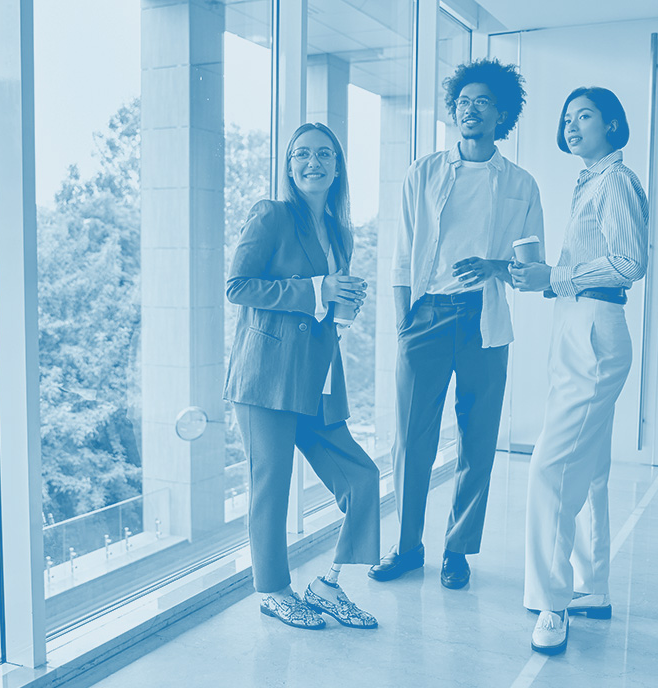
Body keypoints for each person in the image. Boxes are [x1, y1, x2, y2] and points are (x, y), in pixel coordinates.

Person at [369, 59, 544, 590]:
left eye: (483, 102)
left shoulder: (520, 184)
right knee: (411, 440)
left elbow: (533, 270)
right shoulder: (423, 172)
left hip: (484, 324)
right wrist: (404, 323)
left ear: (502, 114)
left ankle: (458, 550)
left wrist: (496, 267)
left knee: (477, 440)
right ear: (454, 110)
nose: (471, 110)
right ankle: (406, 547)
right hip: (426, 316)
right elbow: (400, 256)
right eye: (463, 101)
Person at [224, 122, 380, 630]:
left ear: (337, 167)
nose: (313, 163)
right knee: (272, 484)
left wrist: (341, 306)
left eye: (324, 155)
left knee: (362, 477)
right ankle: (273, 591)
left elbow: (328, 304)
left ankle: (328, 584)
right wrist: (315, 288)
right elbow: (239, 286)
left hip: (317, 377)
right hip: (266, 375)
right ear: (290, 166)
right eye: (302, 155)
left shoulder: (340, 231)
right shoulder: (272, 215)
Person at [510, 87, 648, 654]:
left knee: (550, 465)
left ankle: (552, 604)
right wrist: (549, 276)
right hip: (578, 323)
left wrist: (558, 277)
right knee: (587, 467)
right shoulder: (591, 180)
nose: (571, 126)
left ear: (612, 124)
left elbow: (629, 262)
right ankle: (591, 587)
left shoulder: (615, 181)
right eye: (566, 118)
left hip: (593, 325)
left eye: (584, 116)